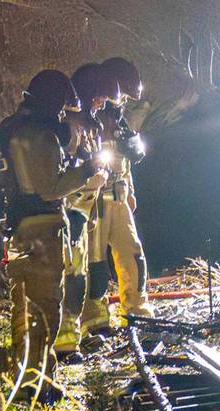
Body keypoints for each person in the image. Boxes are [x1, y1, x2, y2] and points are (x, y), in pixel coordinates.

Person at [0, 69, 108, 402]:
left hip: (16, 229)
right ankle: (38, 381)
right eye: (61, 109)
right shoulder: (40, 135)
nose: (61, 116)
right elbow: (51, 187)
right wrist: (86, 171)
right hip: (44, 228)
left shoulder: (12, 130)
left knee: (22, 303)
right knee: (46, 305)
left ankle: (27, 373)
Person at [77, 56, 153, 335]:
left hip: (119, 198)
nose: (122, 104)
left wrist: (130, 191)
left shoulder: (119, 122)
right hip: (94, 200)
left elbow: (126, 161)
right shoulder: (89, 120)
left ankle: (136, 310)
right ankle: (94, 318)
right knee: (94, 261)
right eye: (120, 99)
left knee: (132, 255)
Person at [53, 63, 115, 364]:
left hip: (87, 207)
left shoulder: (91, 127)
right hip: (73, 208)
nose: (101, 105)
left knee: (85, 272)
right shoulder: (70, 129)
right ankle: (64, 342)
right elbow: (64, 172)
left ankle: (77, 330)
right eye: (98, 99)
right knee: (73, 274)